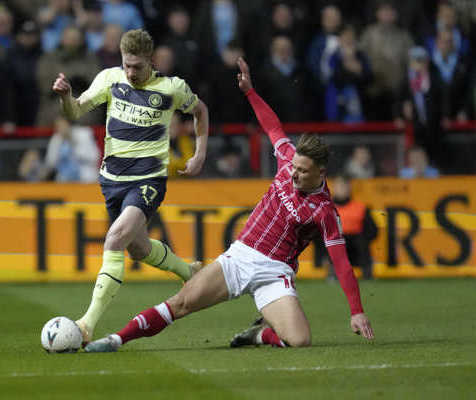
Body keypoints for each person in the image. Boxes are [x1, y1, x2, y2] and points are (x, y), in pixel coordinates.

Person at [83, 57, 374, 353]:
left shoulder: (325, 212)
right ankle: (115, 340)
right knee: (180, 304)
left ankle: (259, 335)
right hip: (241, 258)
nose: (294, 173)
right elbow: (272, 126)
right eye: (294, 166)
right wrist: (250, 92)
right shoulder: (287, 160)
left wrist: (356, 310)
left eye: (303, 170)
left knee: (300, 340)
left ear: (321, 173)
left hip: (276, 272)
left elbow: (341, 263)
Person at [52, 28, 209, 344]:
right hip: (111, 181)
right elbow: (76, 110)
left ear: (151, 60)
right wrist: (65, 97)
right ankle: (188, 272)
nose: (132, 72)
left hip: (148, 180)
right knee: (137, 247)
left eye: (138, 65)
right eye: (127, 65)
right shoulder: (110, 78)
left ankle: (86, 324)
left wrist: (199, 153)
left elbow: (200, 111)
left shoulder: (171, 88)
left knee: (115, 239)